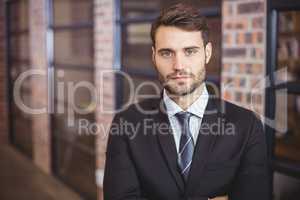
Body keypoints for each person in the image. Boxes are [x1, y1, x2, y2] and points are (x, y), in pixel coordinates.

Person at [103, 3, 270, 200]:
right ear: (154, 56)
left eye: (189, 51)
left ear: (207, 53)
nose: (178, 65)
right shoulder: (126, 123)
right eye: (167, 53)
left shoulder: (247, 125)